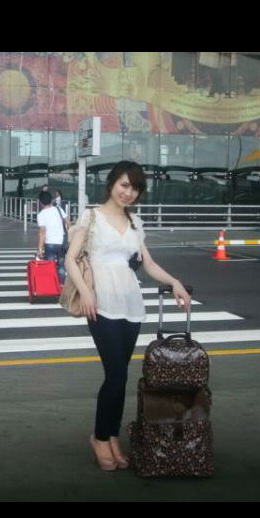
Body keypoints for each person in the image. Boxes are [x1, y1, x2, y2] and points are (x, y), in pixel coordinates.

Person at [64, 160, 191, 472]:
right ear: (111, 184)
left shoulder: (135, 222)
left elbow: (148, 263)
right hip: (101, 304)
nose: (128, 192)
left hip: (131, 304)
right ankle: (99, 437)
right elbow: (69, 259)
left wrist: (174, 282)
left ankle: (111, 438)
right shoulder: (92, 217)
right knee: (116, 375)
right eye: (124, 185)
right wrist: (87, 292)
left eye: (135, 188)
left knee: (120, 377)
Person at [37, 190, 70, 284]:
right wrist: (68, 233)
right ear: (51, 200)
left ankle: (52, 285)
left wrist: (39, 249)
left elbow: (42, 233)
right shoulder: (58, 209)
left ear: (41, 202)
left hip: (50, 244)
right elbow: (68, 221)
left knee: (49, 266)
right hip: (61, 242)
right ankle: (62, 285)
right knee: (61, 265)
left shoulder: (41, 214)